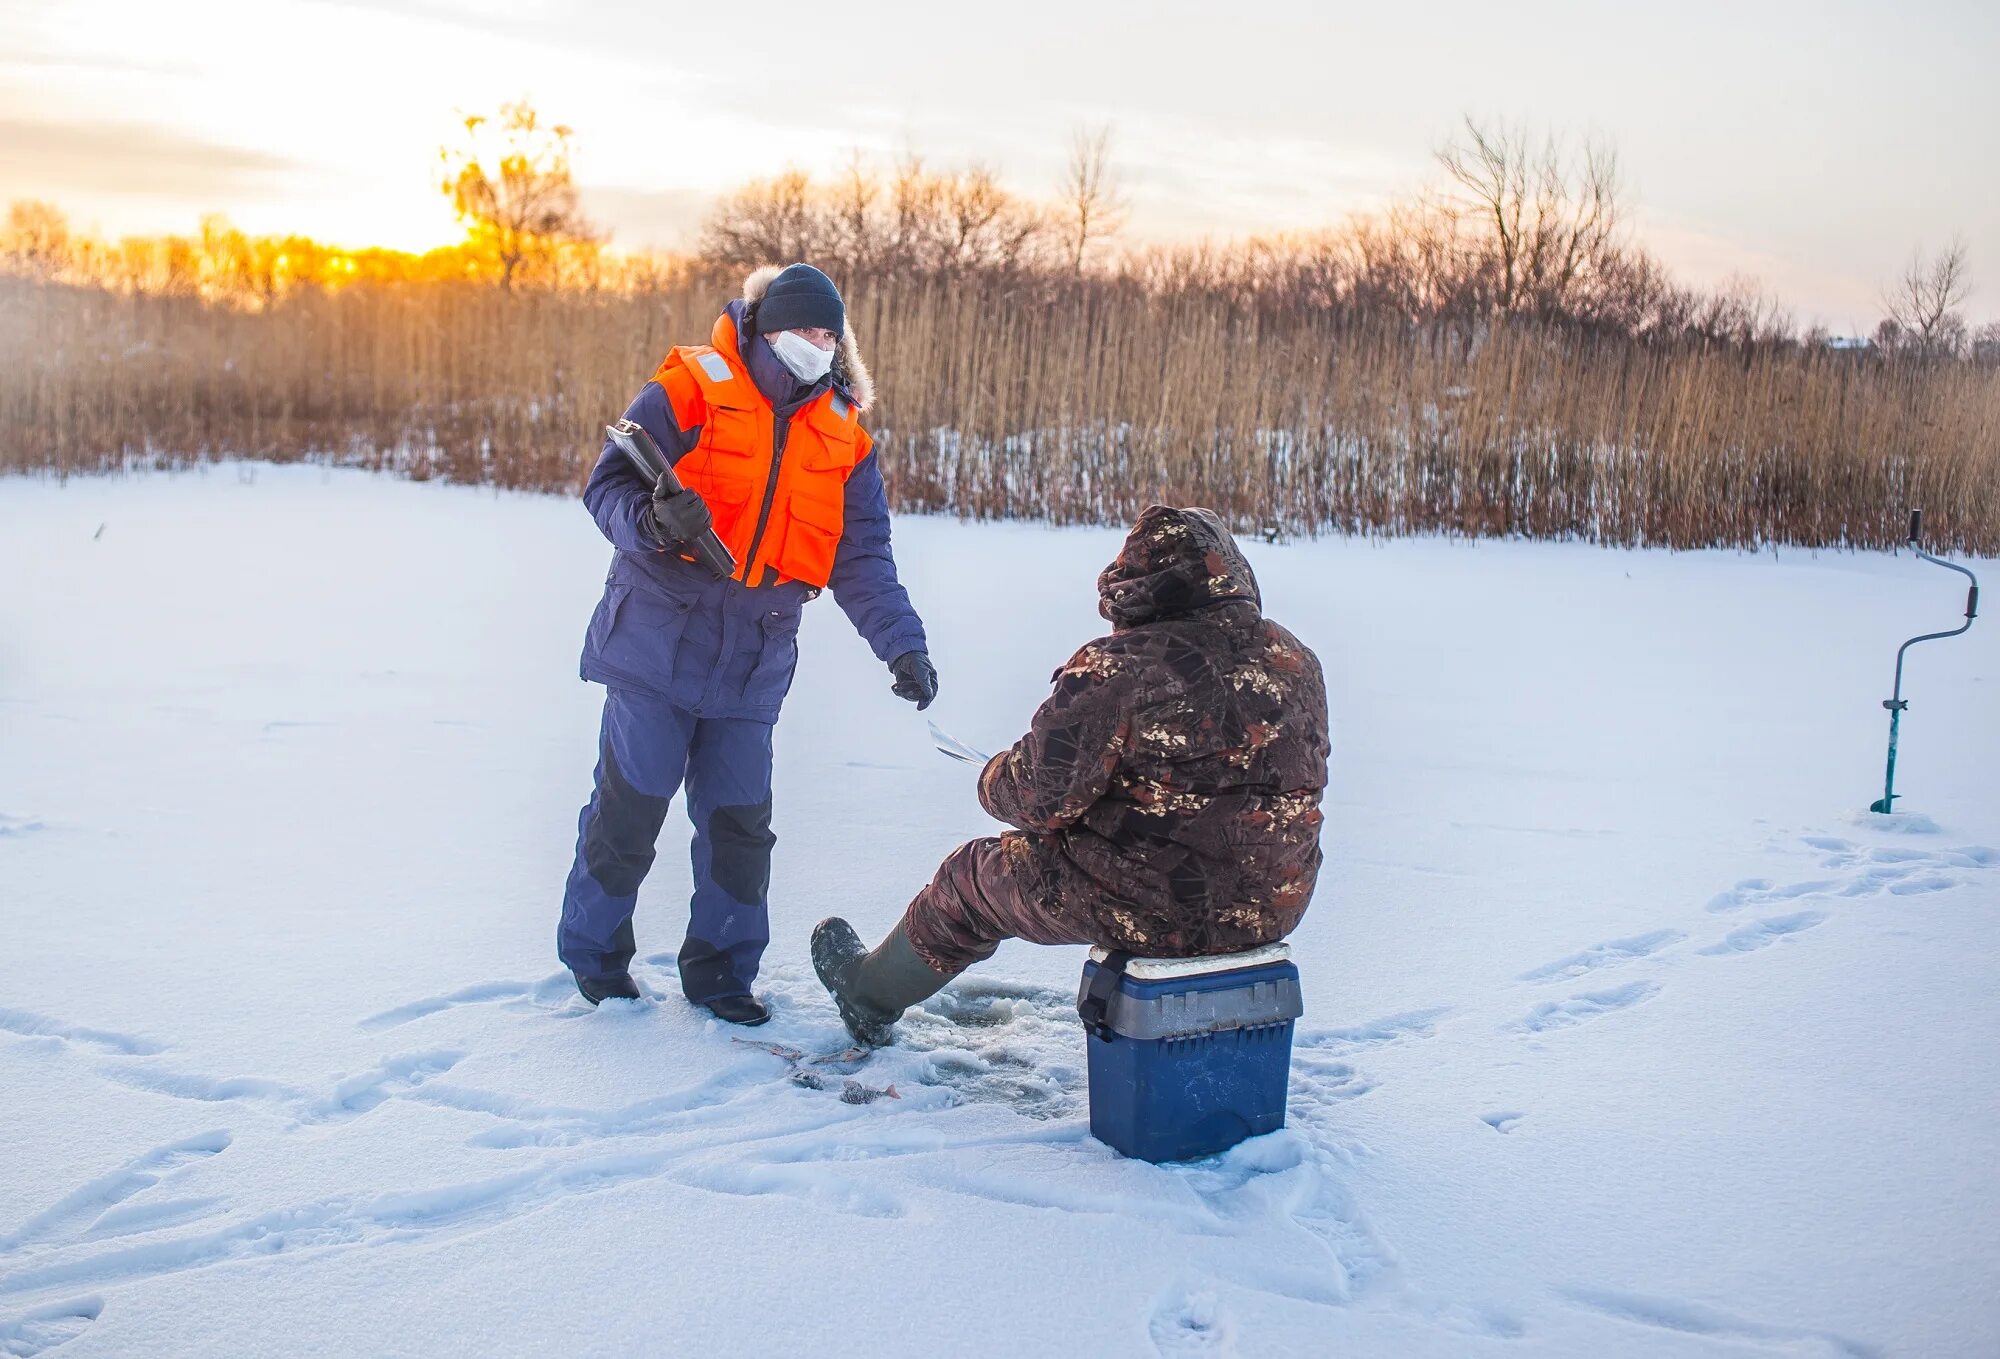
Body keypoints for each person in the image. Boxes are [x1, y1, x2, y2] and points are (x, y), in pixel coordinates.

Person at [561, 263, 935, 1025]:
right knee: (628, 814)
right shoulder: (690, 389)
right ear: (768, 327)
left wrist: (902, 645)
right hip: (658, 640)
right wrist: (653, 525)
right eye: (805, 329)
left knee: (740, 830)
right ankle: (598, 964)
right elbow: (608, 486)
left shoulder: (845, 436)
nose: (817, 344)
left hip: (754, 659)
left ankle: (723, 975)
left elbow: (862, 556)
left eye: (830, 334)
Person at [813, 505, 1328, 1046]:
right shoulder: (1294, 658)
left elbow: (1035, 798)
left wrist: (992, 775)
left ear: (1133, 583)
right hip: (1274, 902)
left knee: (972, 876)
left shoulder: (1118, 666)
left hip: (1155, 908)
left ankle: (868, 994)